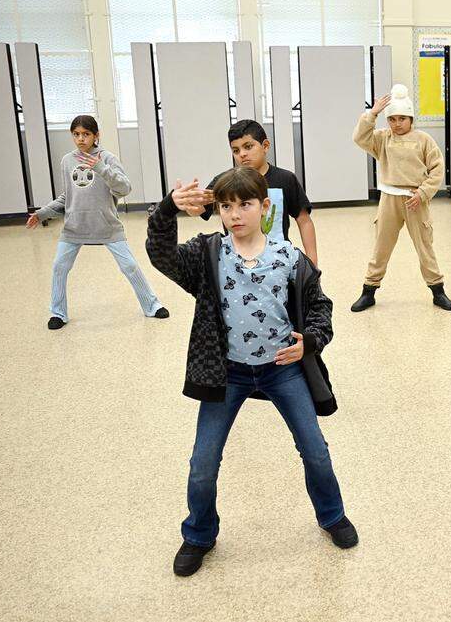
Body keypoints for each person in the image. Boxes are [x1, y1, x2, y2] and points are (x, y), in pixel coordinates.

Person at [146, 167, 357, 577]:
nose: (235, 214)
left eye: (244, 204)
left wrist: (308, 342)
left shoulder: (289, 258)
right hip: (228, 373)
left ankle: (332, 515)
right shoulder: (208, 254)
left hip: (282, 370)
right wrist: (167, 209)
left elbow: (320, 309)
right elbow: (162, 255)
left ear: (265, 207)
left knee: (314, 449)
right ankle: (199, 533)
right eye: (226, 206)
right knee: (203, 463)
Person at [26, 115, 167, 329]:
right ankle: (58, 313)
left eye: (86, 134)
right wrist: (43, 213)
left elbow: (124, 188)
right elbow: (67, 196)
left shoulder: (108, 158)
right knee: (59, 267)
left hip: (106, 225)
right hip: (75, 226)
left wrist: (101, 167)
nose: (81, 139)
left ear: (96, 135)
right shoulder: (67, 161)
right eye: (76, 134)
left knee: (129, 265)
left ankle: (152, 305)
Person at [350, 84, 451, 311]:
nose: (397, 124)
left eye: (402, 119)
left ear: (411, 119)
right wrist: (373, 113)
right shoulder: (382, 139)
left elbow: (437, 169)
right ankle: (369, 291)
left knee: (425, 247)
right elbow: (359, 137)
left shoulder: (424, 139)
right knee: (381, 247)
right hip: (389, 199)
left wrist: (423, 192)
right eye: (392, 119)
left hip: (416, 199)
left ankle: (438, 291)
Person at [200, 120, 319, 266]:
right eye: (236, 150)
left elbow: (304, 220)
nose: (242, 154)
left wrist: (312, 261)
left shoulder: (285, 178)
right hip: (237, 262)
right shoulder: (224, 181)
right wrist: (189, 205)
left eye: (248, 147)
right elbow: (200, 210)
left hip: (279, 260)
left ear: (265, 146)